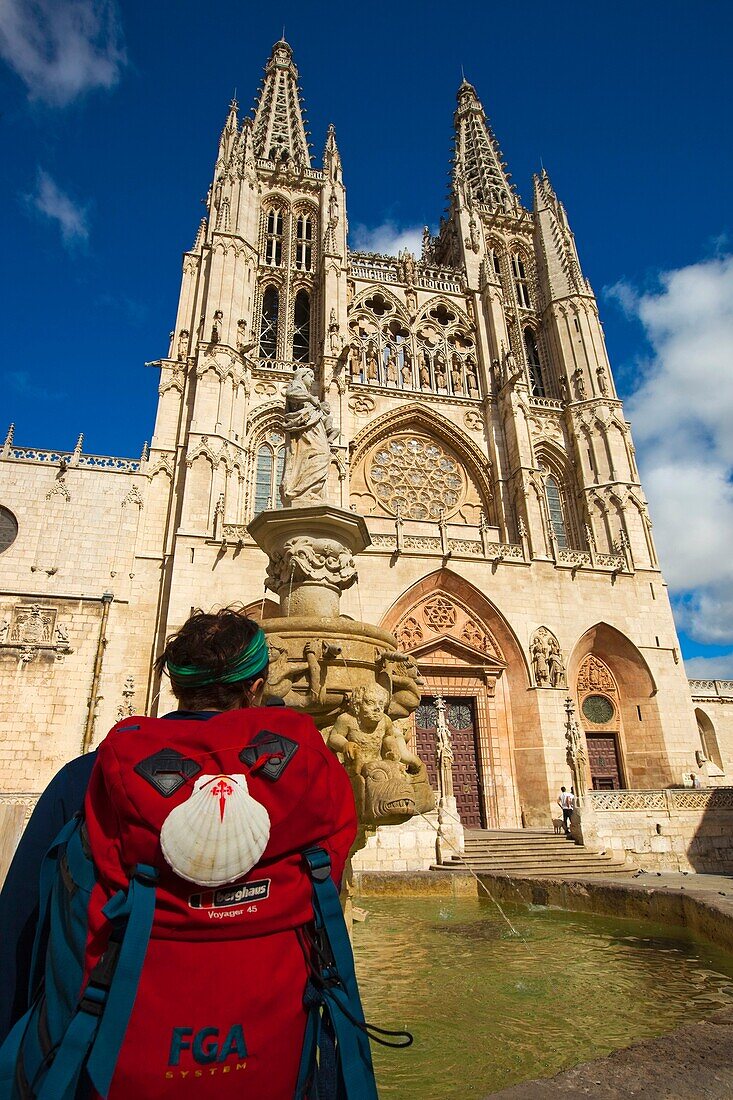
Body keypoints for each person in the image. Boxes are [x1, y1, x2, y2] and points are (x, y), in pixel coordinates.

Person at [0, 607, 366, 1098]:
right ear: (257, 686)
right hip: (270, 1061)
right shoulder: (310, 776)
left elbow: (23, 926)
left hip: (114, 1061)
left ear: (174, 683)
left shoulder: (89, 778)